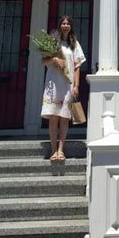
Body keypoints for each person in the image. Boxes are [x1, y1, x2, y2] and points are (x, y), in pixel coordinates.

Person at [41, 15, 86, 161]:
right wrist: (54, 59)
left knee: (64, 117)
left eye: (68, 23)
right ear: (59, 25)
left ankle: (61, 150)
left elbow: (77, 67)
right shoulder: (52, 42)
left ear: (71, 26)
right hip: (53, 83)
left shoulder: (74, 44)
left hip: (68, 84)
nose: (65, 25)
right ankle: (53, 150)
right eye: (63, 23)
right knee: (53, 117)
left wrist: (76, 86)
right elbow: (43, 61)